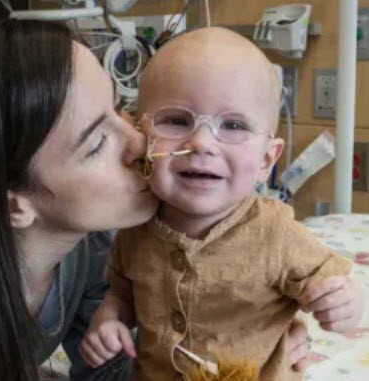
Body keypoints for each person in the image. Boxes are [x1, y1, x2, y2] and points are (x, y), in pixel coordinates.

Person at [0, 20, 313, 381]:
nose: (140, 142)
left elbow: (109, 370)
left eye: (121, 110)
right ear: (14, 205)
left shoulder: (98, 247)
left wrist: (246, 342)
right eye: (97, 143)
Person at [80, 28, 364, 381]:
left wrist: (344, 306)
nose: (201, 142)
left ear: (266, 160)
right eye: (176, 120)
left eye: (232, 124)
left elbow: (333, 286)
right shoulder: (135, 227)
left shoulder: (276, 234)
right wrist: (109, 319)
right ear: (141, 137)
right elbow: (123, 294)